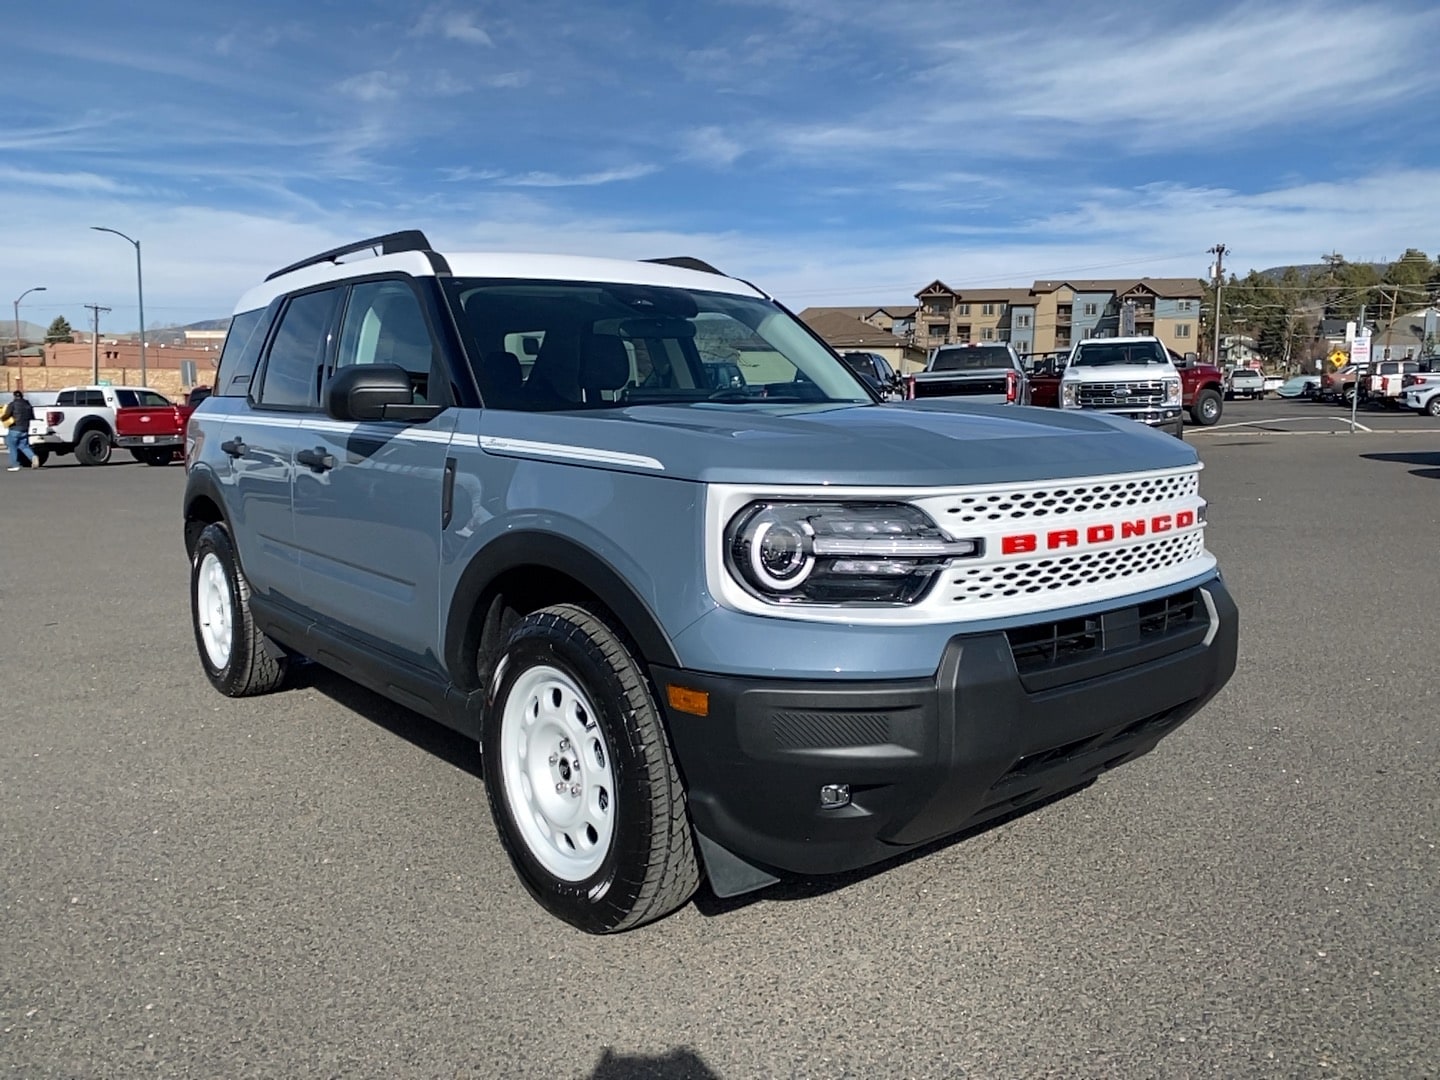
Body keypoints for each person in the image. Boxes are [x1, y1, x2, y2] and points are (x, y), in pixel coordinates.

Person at [2, 390, 40, 471]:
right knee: (23, 445)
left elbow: (6, 414)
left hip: (15, 428)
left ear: (14, 396)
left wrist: (2, 417)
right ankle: (32, 456)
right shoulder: (27, 404)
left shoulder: (12, 404)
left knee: (12, 446)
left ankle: (15, 465)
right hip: (25, 428)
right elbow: (32, 416)